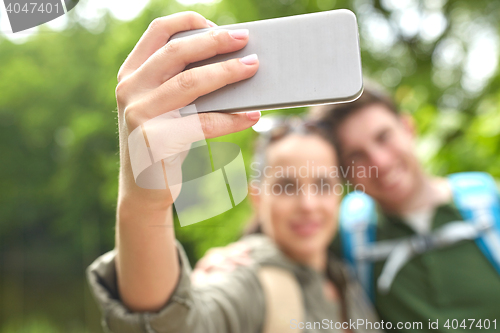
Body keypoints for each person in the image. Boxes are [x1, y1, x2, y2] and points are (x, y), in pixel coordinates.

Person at [86, 12, 380, 333]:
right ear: (256, 196)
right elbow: (172, 325)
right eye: (286, 186)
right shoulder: (246, 279)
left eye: (323, 185)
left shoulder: (348, 273)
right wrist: (145, 206)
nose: (308, 204)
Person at [196, 89, 500, 332]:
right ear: (344, 174)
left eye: (383, 137)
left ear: (408, 128)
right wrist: (230, 257)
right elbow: (290, 239)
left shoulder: (490, 207)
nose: (379, 162)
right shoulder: (351, 236)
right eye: (357, 155)